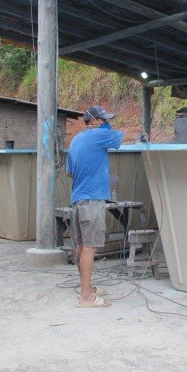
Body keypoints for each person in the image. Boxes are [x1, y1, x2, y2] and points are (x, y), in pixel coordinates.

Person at [66, 105, 125, 308]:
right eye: (104, 120)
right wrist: (142, 133)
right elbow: (126, 136)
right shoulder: (97, 135)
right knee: (90, 249)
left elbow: (69, 173)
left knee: (82, 248)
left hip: (78, 200)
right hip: (92, 201)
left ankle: (87, 288)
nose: (106, 123)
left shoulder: (76, 140)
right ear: (93, 121)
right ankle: (86, 298)